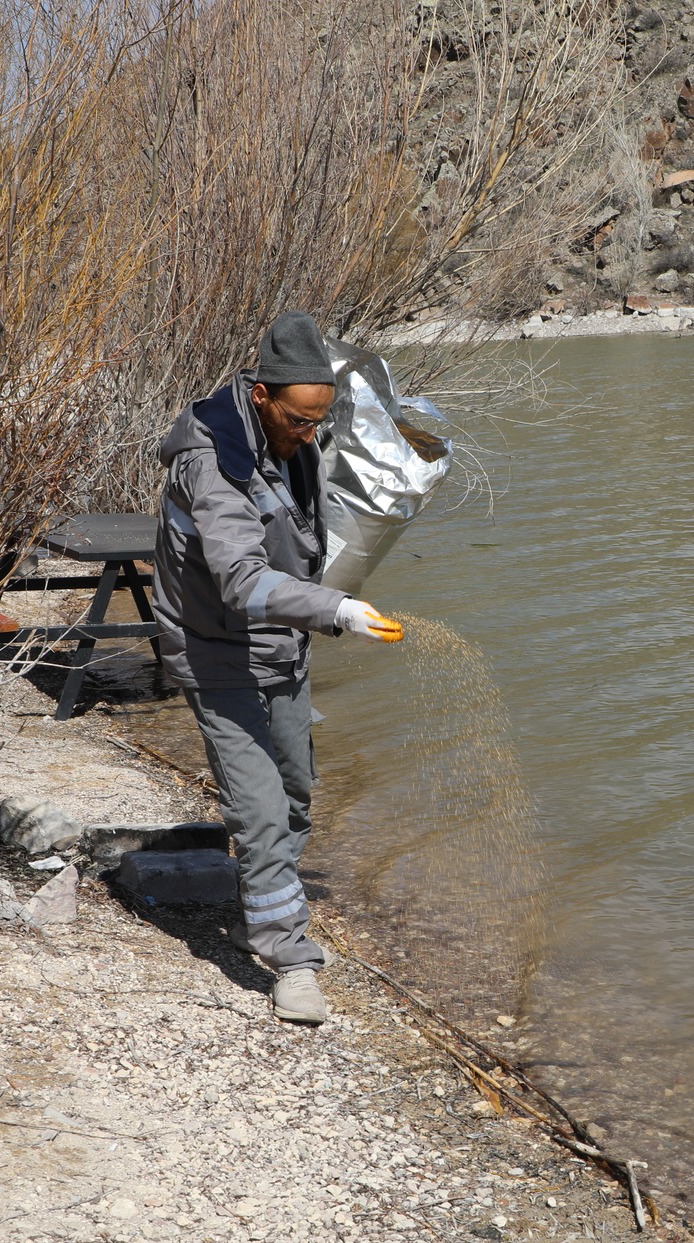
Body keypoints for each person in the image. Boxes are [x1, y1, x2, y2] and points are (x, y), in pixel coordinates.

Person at [152, 311, 404, 1025]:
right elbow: (239, 580)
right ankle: (291, 960)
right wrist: (338, 609)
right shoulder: (214, 463)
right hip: (216, 650)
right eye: (299, 420)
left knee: (296, 789)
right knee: (260, 811)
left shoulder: (289, 438)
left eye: (319, 422)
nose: (309, 435)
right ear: (261, 396)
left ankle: (254, 908)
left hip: (282, 648)